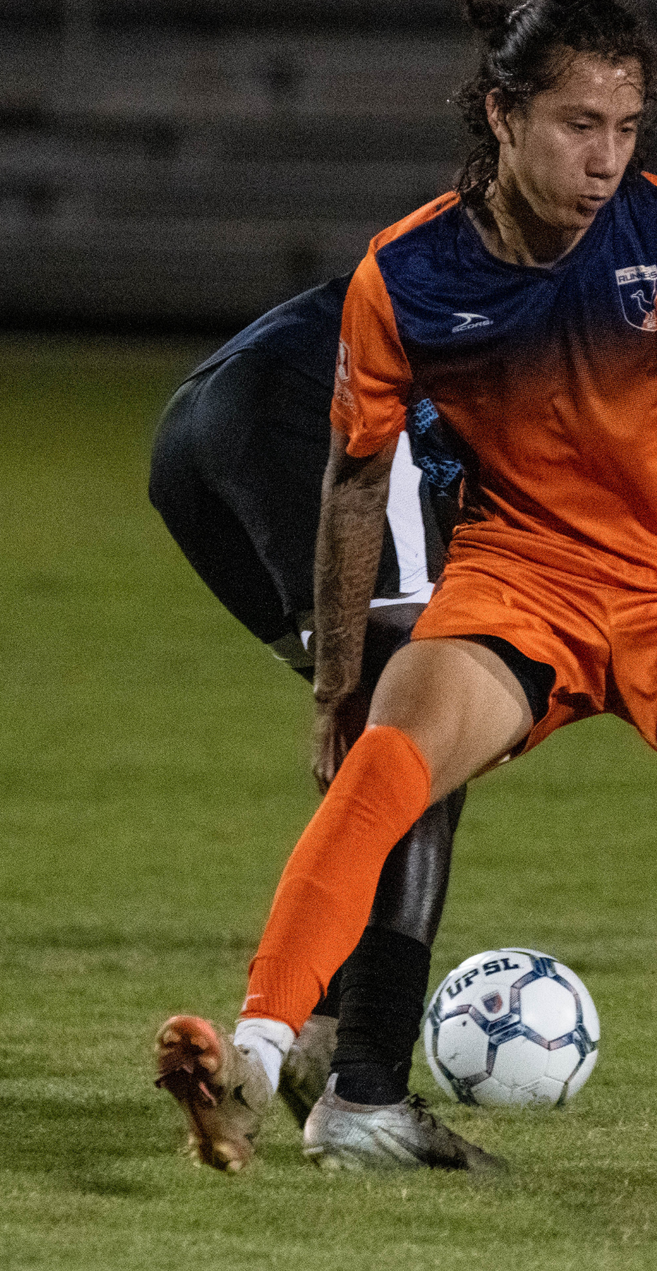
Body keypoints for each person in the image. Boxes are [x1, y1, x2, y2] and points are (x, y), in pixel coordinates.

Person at [155, 0, 657, 1181]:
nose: (606, 158)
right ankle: (262, 1058)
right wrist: (338, 681)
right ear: (502, 112)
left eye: (628, 128)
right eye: (580, 124)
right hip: (521, 579)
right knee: (386, 760)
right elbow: (353, 477)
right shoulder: (408, 272)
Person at [146, 276, 498, 1171]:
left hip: (196, 429)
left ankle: (304, 1043)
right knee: (422, 733)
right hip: (312, 416)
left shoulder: (560, 245)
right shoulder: (641, 293)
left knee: (394, 737)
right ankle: (364, 1083)